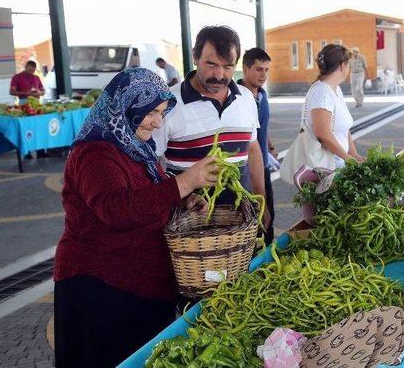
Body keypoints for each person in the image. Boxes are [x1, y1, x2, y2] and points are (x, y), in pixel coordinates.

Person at [54, 68, 219, 368]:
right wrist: (184, 183)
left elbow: (148, 197)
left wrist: (182, 201)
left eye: (161, 112)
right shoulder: (96, 153)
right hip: (101, 290)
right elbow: (115, 210)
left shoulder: (134, 146)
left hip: (139, 284)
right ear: (126, 106)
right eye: (151, 112)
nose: (158, 122)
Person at [153, 26, 271, 229]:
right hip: (188, 225)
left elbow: (252, 149)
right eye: (211, 64)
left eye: (228, 66)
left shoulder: (245, 99)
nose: (219, 74)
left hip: (241, 220)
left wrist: (261, 201)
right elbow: (150, 163)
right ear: (195, 57)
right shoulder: (168, 104)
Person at [302, 44, 363, 169]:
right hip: (324, 169)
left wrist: (353, 154)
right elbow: (322, 133)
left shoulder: (335, 89)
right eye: (348, 65)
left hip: (336, 166)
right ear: (342, 66)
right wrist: (349, 160)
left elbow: (343, 128)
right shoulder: (323, 92)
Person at [238, 47, 276, 244]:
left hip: (265, 166)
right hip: (247, 170)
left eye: (267, 70)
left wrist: (268, 143)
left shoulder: (261, 95)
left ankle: (268, 258)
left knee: (269, 217)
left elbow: (259, 125)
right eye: (259, 69)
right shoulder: (237, 98)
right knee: (256, 217)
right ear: (245, 68)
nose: (264, 75)